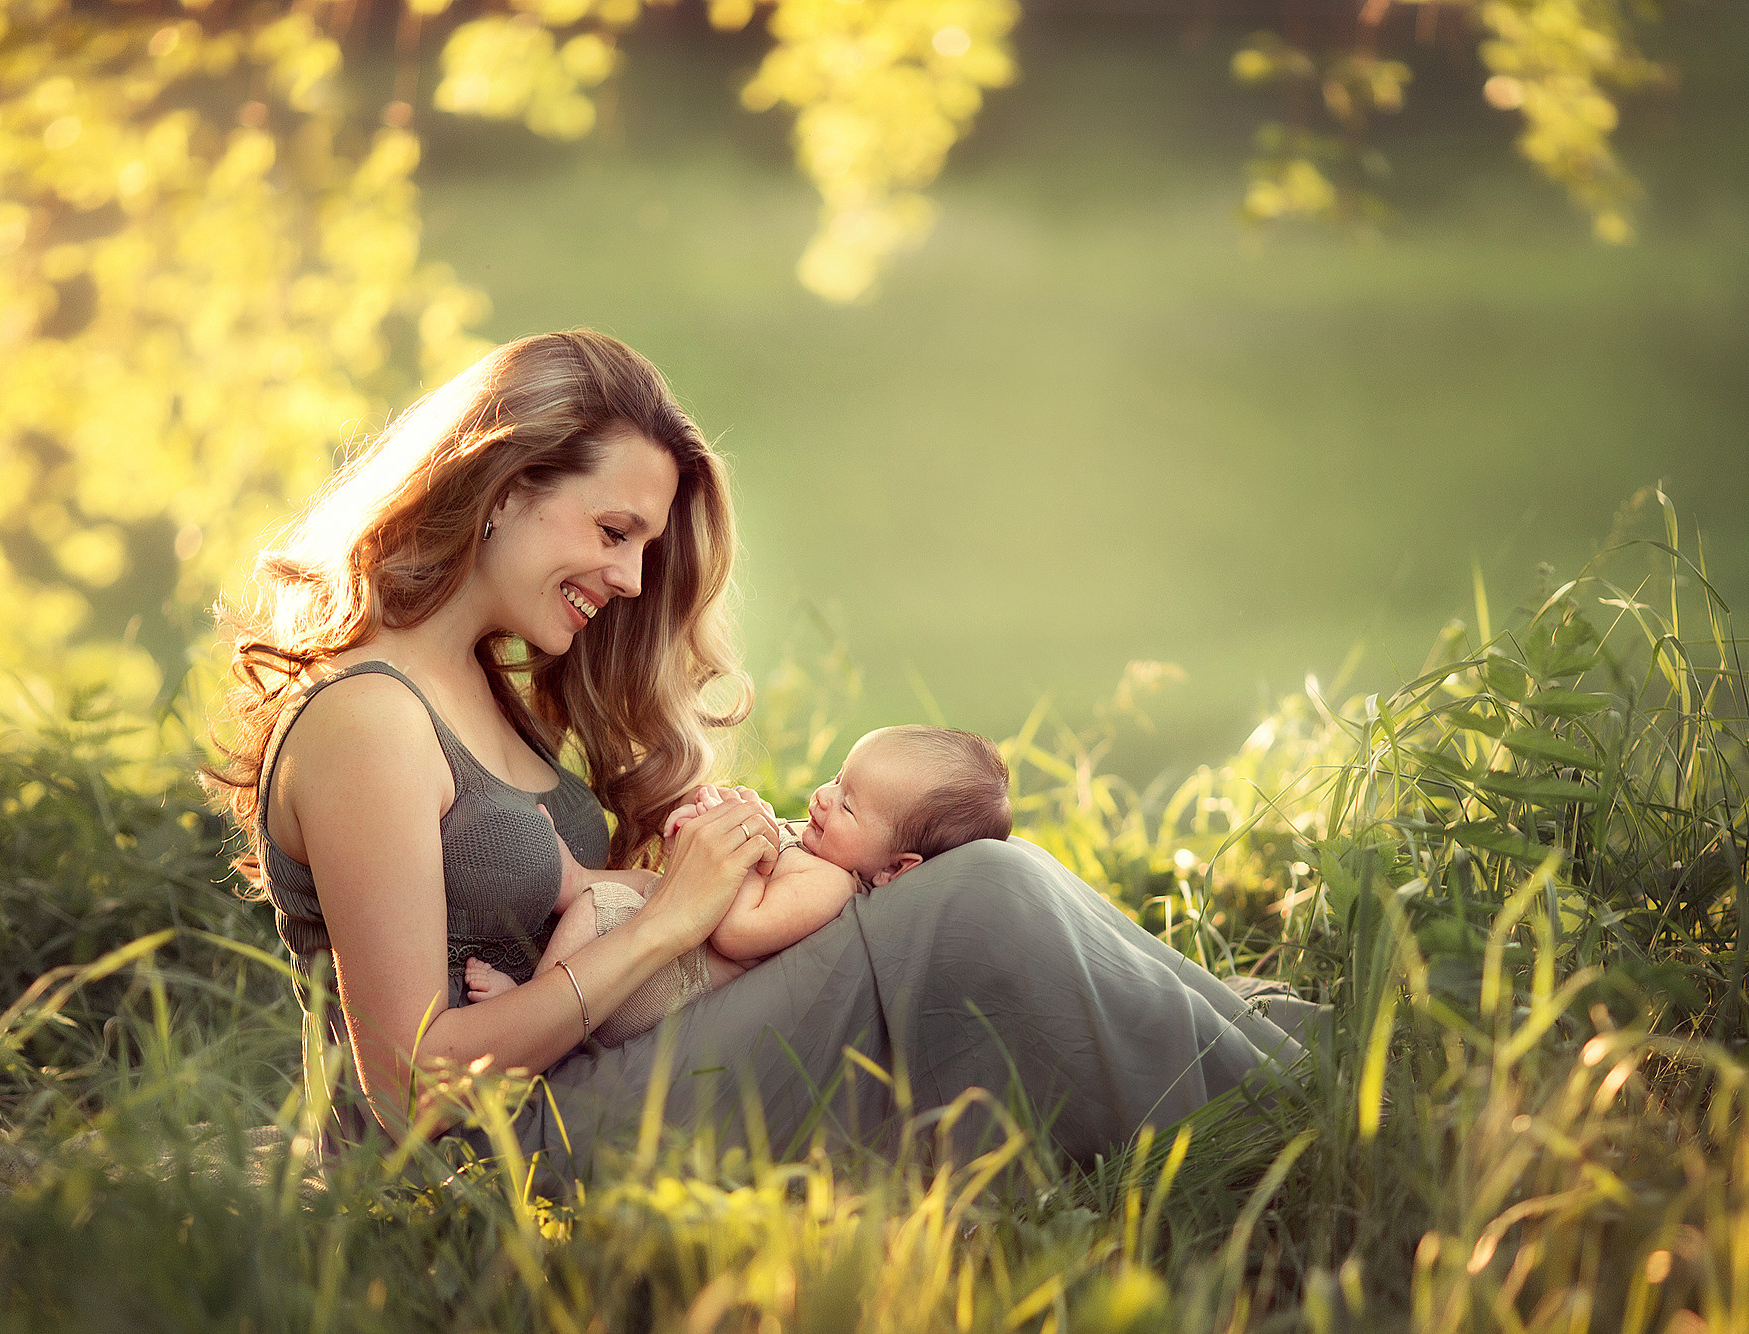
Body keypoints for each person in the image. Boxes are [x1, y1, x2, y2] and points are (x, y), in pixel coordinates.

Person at [209, 329, 1303, 1178]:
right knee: (981, 900)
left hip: (602, 1076)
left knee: (962, 893)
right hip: (501, 1152)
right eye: (612, 532)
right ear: (504, 491)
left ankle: (1279, 1054)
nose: (633, 582)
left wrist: (726, 876)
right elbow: (407, 1089)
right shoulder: (368, 719)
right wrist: (672, 922)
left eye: (643, 546)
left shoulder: (490, 693)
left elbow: (559, 901)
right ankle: (1301, 1117)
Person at [463, 726, 1014, 1048]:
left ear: (896, 869)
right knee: (636, 889)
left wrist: (734, 861)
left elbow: (735, 933)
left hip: (668, 985)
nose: (823, 795)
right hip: (670, 946)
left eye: (847, 804)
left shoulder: (830, 888)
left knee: (595, 909)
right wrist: (706, 827)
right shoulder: (821, 847)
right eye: (838, 777)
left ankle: (533, 1006)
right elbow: (697, 888)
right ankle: (575, 885)